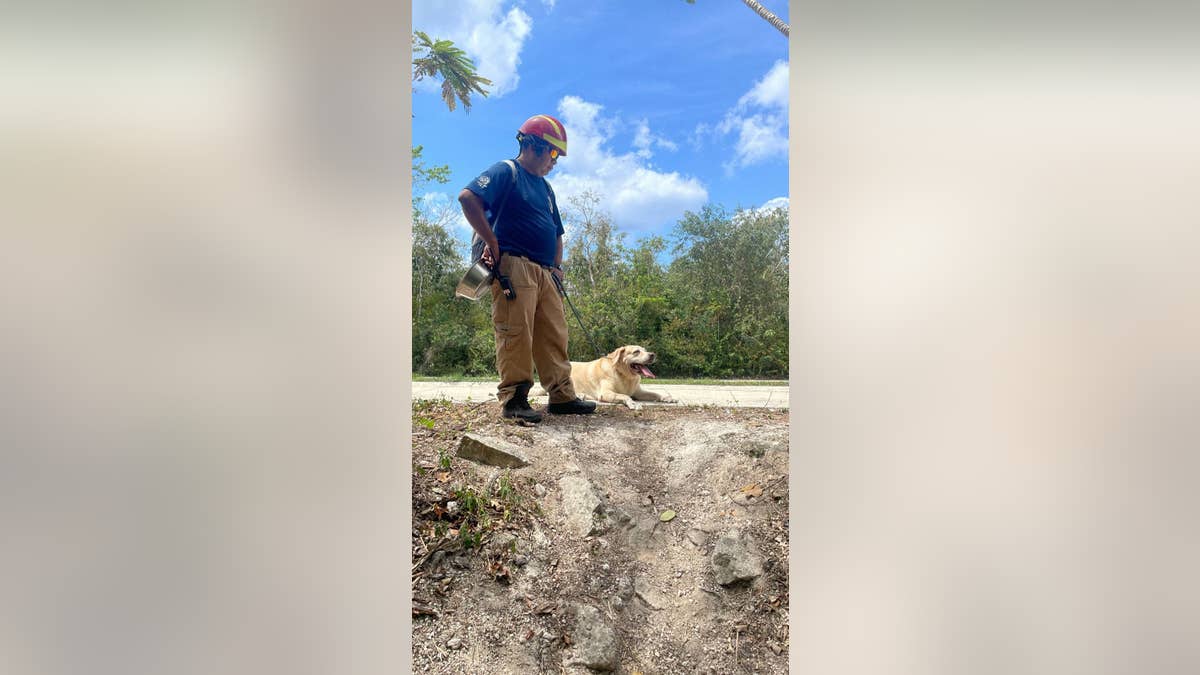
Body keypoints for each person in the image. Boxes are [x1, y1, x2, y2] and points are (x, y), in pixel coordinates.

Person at [458, 114, 597, 423]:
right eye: (552, 154)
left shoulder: (547, 190)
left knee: (554, 334)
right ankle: (515, 399)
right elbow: (468, 198)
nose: (555, 162)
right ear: (533, 146)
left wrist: (557, 269)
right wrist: (491, 242)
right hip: (514, 265)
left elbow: (557, 232)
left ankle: (562, 396)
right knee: (516, 332)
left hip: (546, 272)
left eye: (558, 157)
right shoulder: (507, 171)